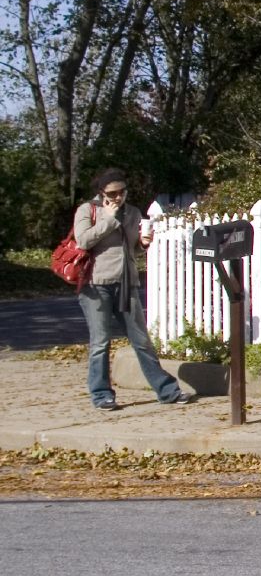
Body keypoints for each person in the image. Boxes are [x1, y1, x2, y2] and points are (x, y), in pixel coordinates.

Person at [72, 168, 191, 410]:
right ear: (101, 193)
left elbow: (128, 248)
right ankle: (101, 394)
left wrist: (142, 244)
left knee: (141, 340)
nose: (118, 197)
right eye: (113, 193)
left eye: (122, 192)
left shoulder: (133, 212)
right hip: (95, 284)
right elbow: (83, 240)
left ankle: (167, 391)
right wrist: (109, 217)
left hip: (126, 283)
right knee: (100, 343)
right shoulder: (89, 211)